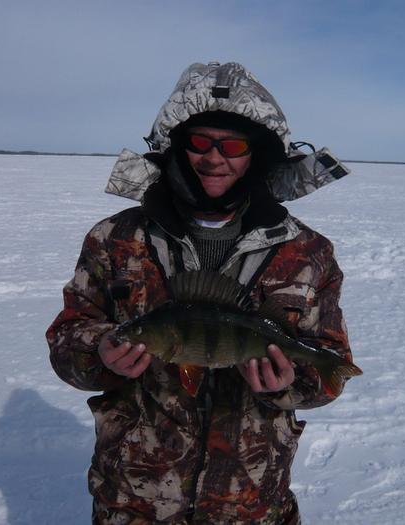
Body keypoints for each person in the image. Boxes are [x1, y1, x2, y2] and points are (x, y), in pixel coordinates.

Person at [47, 62, 357, 525]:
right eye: (200, 142)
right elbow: (68, 336)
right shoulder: (114, 237)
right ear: (177, 145)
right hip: (134, 505)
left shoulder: (308, 252)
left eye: (233, 145)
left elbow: (329, 360)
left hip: (253, 507)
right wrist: (100, 354)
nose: (215, 159)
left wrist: (290, 383)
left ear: (257, 155)